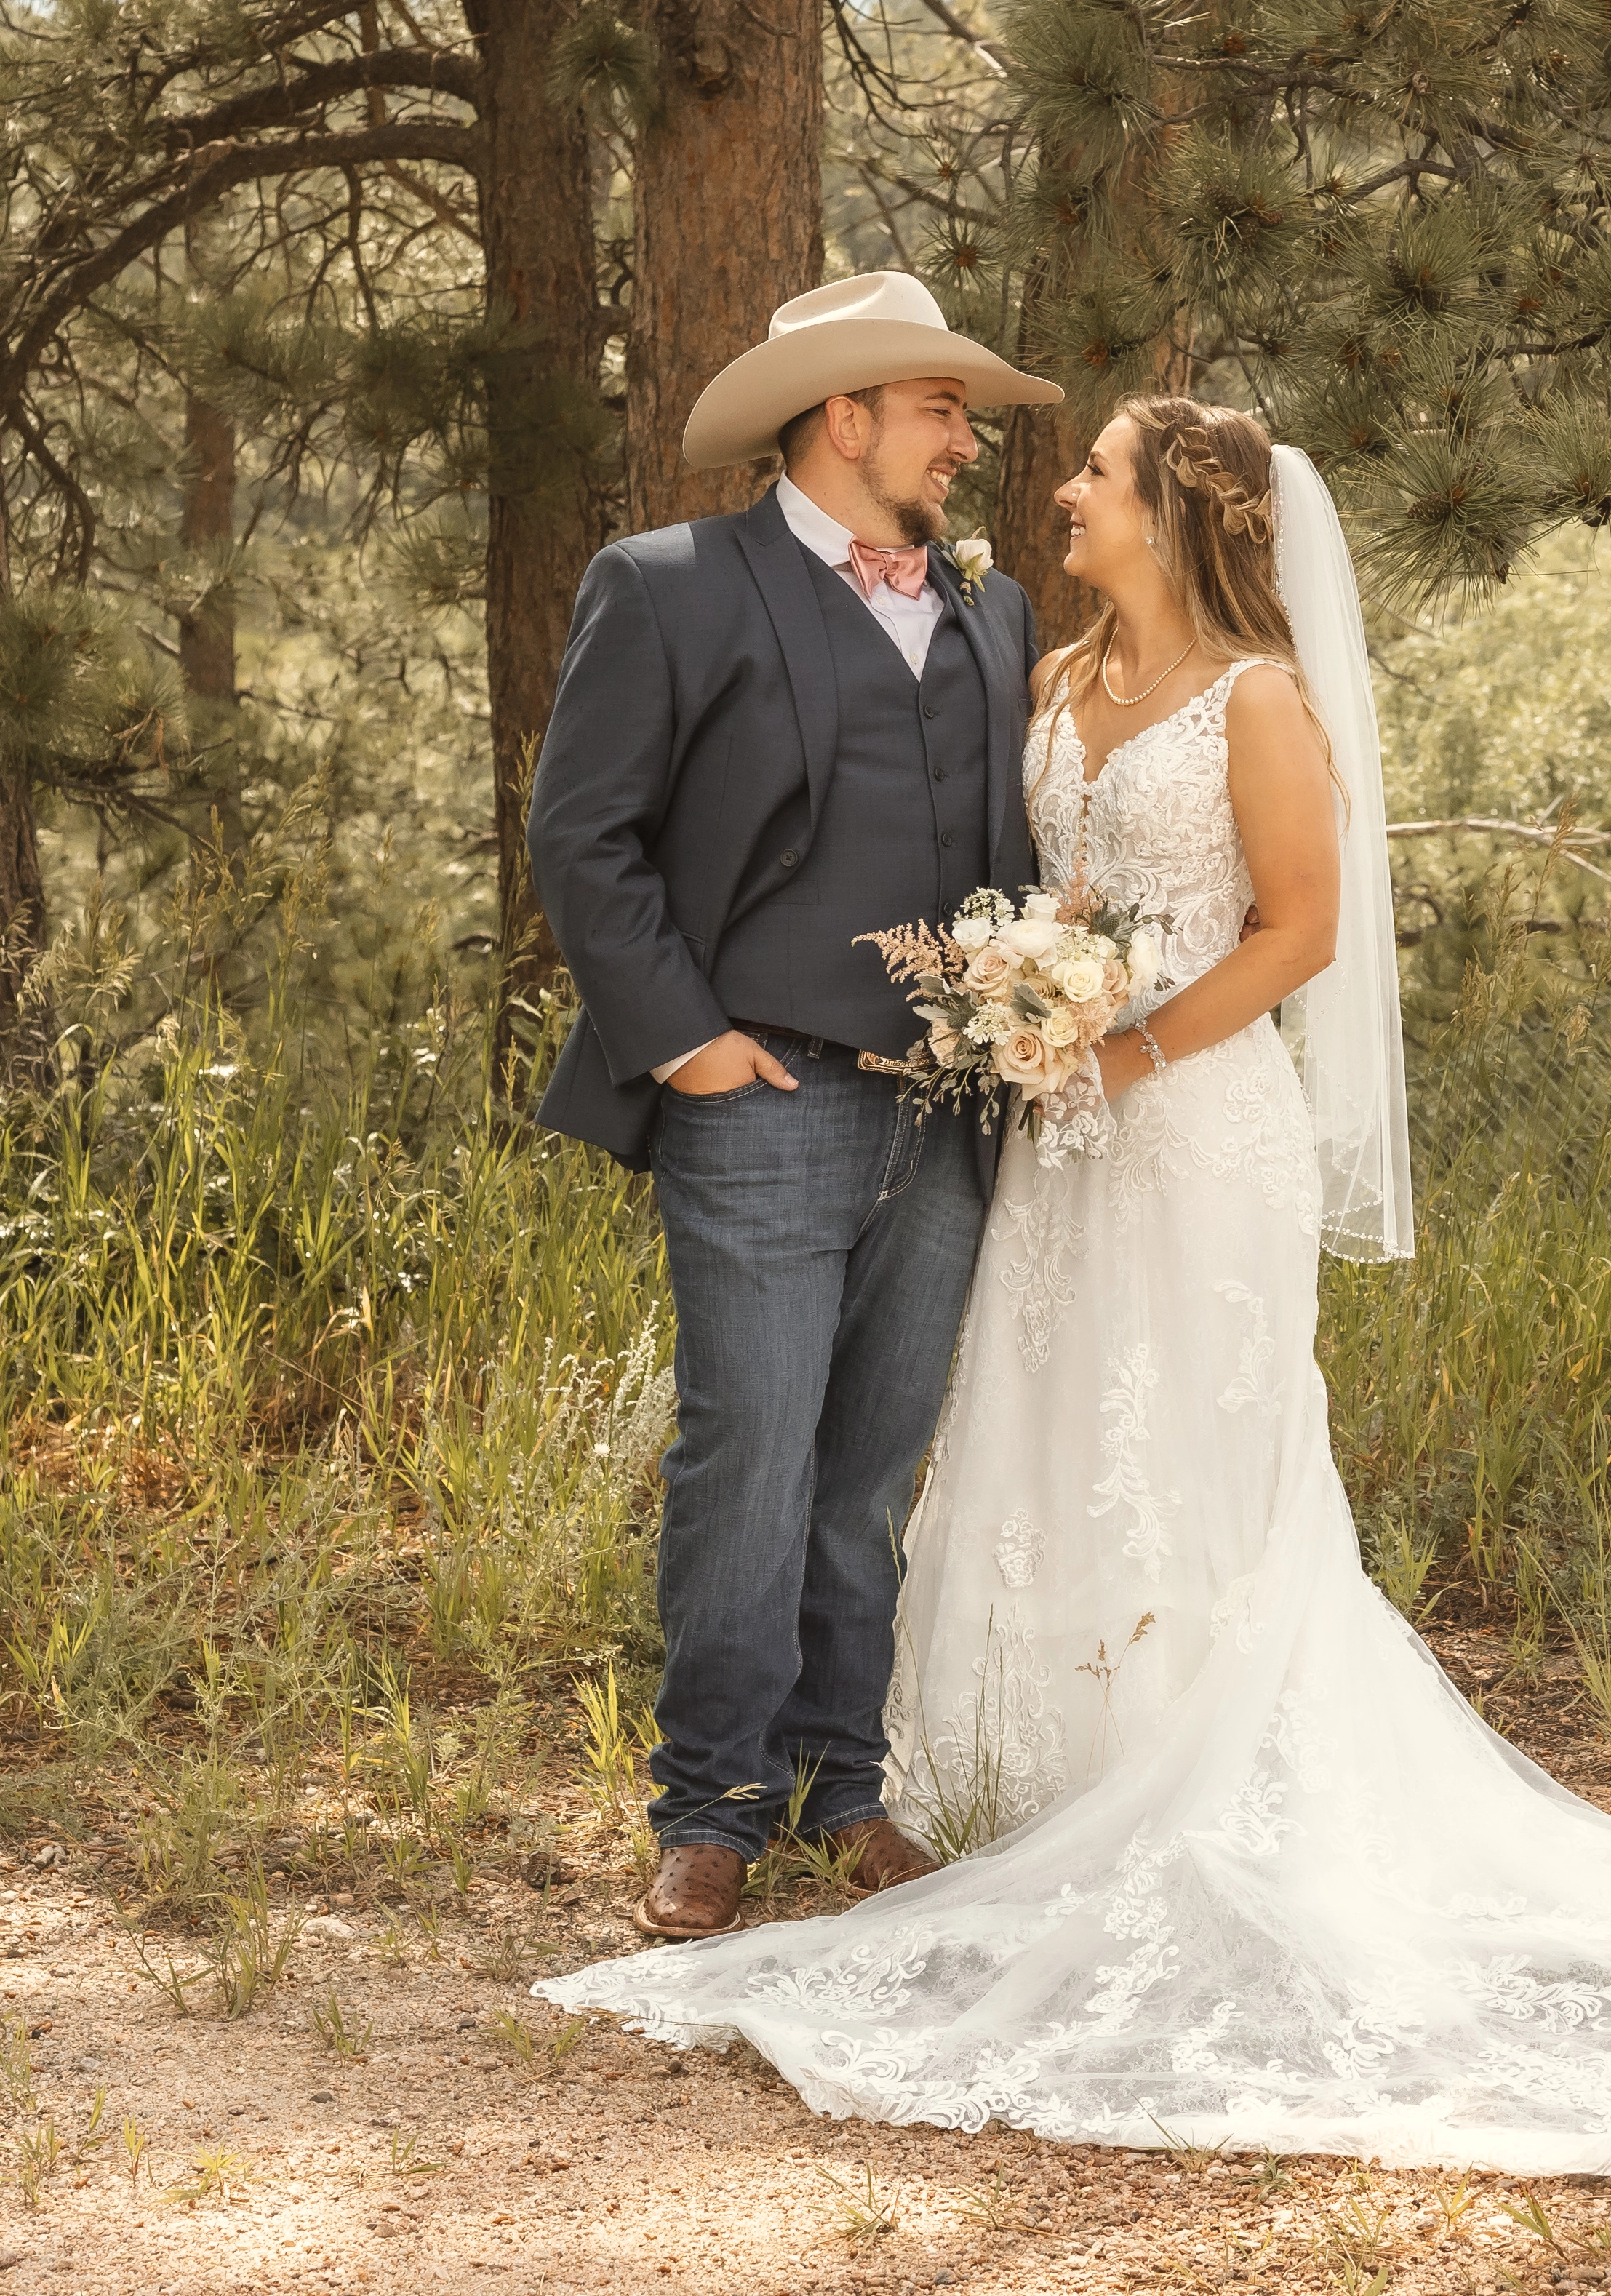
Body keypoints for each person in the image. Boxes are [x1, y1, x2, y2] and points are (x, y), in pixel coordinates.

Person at [537, 396, 1611, 2195]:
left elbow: (1300, 925)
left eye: (1088, 469)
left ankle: (930, 1786)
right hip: (974, 1120)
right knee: (900, 1442)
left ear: (1174, 511)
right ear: (850, 413)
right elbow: (766, 850)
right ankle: (758, 1809)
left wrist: (1111, 1048)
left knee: (1008, 1455)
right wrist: (919, 1028)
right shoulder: (1008, 648)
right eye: (973, 421)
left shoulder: (1145, 664)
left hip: (1154, 1129)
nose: (1037, 477)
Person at [524, 273, 1062, 1941]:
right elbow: (581, 835)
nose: (967, 445)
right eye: (941, 411)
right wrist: (686, 1043)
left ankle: (842, 1792)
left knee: (869, 1468)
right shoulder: (673, 586)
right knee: (747, 1453)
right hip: (759, 1097)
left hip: (949, 1110)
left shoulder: (997, 607)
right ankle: (709, 1811)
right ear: (847, 420)